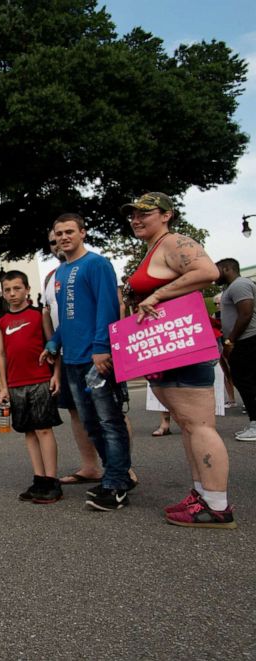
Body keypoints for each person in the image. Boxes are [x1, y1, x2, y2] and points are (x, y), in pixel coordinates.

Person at [120, 194, 233, 526]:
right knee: (188, 424)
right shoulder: (157, 247)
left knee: (199, 424)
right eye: (133, 216)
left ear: (167, 215)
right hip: (167, 347)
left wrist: (156, 295)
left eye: (145, 214)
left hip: (183, 345)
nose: (136, 220)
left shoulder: (174, 242)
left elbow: (207, 271)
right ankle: (202, 493)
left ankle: (217, 504)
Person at [43, 213, 133, 512]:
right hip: (72, 360)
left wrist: (101, 347)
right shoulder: (60, 273)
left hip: (97, 358)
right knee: (91, 424)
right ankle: (115, 476)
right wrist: (54, 342)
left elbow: (108, 307)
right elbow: (67, 317)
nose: (64, 236)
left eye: (70, 231)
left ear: (83, 232)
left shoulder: (97, 264)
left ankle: (117, 484)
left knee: (110, 421)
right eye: (59, 233)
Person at [0, 271, 63, 504]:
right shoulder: (0, 322)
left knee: (44, 429)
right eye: (7, 290)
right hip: (15, 384)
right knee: (29, 432)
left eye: (17, 288)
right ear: (2, 293)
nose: (12, 294)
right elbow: (0, 354)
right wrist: (3, 387)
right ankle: (39, 478)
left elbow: (52, 344)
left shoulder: (39, 314)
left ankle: (52, 481)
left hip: (41, 379)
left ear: (27, 289)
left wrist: (56, 375)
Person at [215, 258, 255, 442]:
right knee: (244, 380)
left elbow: (245, 313)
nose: (214, 275)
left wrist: (231, 340)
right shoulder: (231, 288)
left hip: (247, 340)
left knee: (245, 381)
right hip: (243, 341)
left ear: (227, 268)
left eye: (217, 270)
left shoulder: (240, 285)